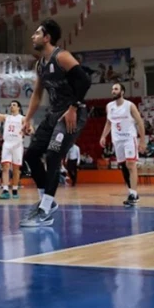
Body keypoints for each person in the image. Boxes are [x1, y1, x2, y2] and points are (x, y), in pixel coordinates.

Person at [19, 18, 92, 228]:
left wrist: (73, 107)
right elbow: (37, 94)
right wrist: (28, 118)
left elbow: (85, 81)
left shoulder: (62, 57)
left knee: (53, 155)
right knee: (31, 155)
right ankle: (46, 202)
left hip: (72, 112)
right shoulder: (40, 65)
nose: (33, 36)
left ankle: (45, 210)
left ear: (47, 37)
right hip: (53, 114)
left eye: (37, 33)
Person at [100, 82, 146, 206]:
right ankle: (132, 192)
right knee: (124, 167)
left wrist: (142, 140)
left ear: (122, 92)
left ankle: (134, 194)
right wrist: (103, 136)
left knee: (130, 164)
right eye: (112, 89)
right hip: (117, 140)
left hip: (129, 138)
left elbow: (140, 122)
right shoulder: (109, 106)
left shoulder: (130, 105)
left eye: (116, 89)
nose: (113, 91)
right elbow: (109, 123)